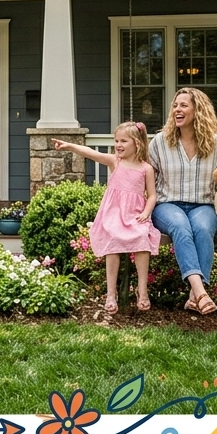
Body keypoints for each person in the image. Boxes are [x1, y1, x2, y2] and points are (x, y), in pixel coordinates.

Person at [52, 122, 160, 313]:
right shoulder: (115, 162)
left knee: (143, 239)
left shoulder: (146, 169)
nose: (118, 145)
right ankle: (111, 293)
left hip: (135, 215)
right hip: (114, 214)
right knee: (113, 240)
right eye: (116, 140)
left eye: (123, 141)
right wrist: (69, 145)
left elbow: (152, 195)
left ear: (137, 143)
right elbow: (89, 153)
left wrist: (146, 213)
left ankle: (142, 290)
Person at [147, 88, 217, 315]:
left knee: (203, 229)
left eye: (183, 105)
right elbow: (146, 179)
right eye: (175, 105)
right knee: (180, 227)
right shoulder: (159, 142)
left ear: (198, 110)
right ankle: (201, 292)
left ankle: (194, 297)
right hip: (167, 205)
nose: (177, 109)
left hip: (203, 204)